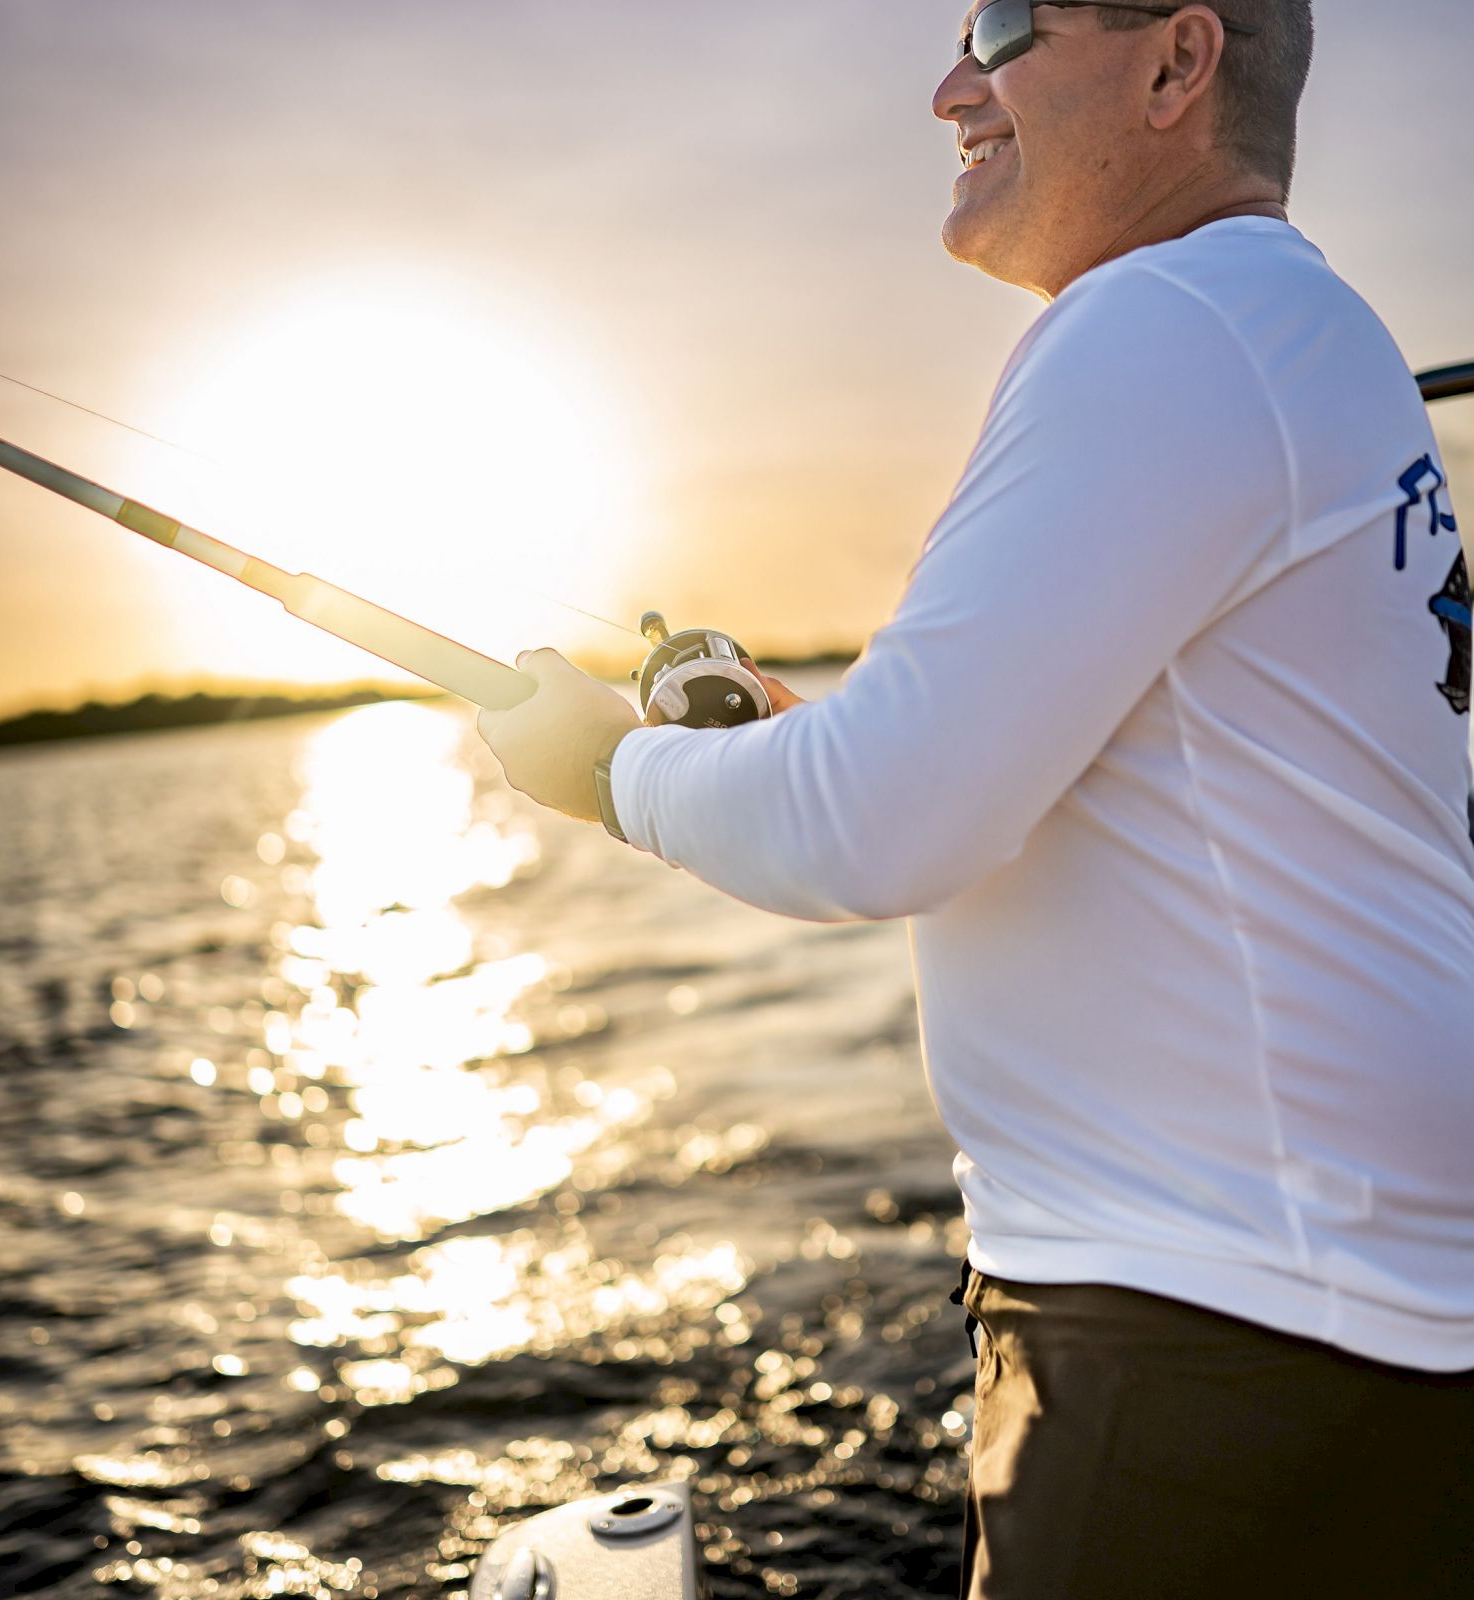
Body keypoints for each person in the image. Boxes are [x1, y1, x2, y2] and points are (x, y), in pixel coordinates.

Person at [479, 3, 1474, 1594]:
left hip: (1215, 1352)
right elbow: (1120, 780)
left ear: (1174, 62)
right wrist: (817, 740)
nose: (953, 83)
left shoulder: (1160, 322)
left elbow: (880, 824)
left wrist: (606, 767)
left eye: (1008, 28)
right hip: (1356, 1332)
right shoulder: (1307, 335)